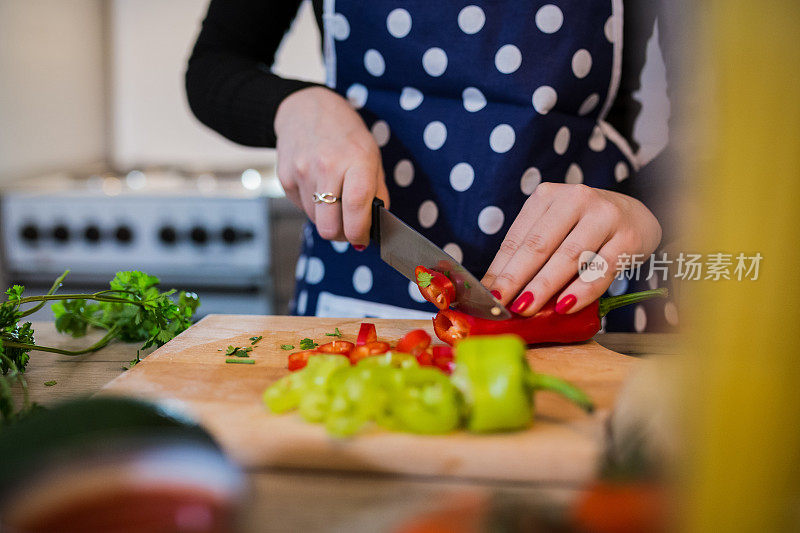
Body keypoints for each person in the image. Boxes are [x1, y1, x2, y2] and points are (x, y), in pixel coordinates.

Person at [186, 0, 679, 331]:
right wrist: (293, 106)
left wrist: (650, 211)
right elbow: (214, 64)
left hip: (588, 293)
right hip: (355, 286)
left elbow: (736, 115)